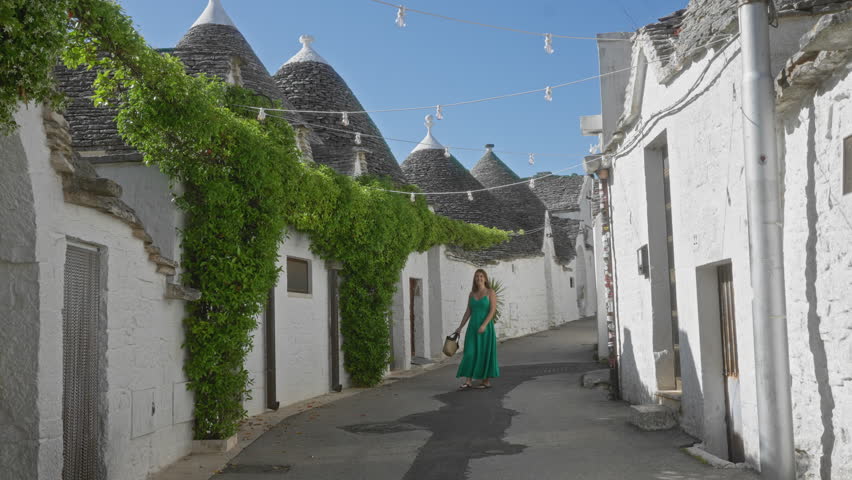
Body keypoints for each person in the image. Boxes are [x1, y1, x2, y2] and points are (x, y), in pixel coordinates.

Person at [455, 268, 500, 389]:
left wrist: (484, 324)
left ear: (485, 279)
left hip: (486, 328)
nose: (479, 278)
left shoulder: (490, 292)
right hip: (473, 327)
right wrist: (460, 327)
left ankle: (485, 381)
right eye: (477, 276)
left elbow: (492, 310)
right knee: (469, 352)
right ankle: (468, 380)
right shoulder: (471, 294)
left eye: (481, 276)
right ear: (474, 279)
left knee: (484, 352)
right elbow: (468, 312)